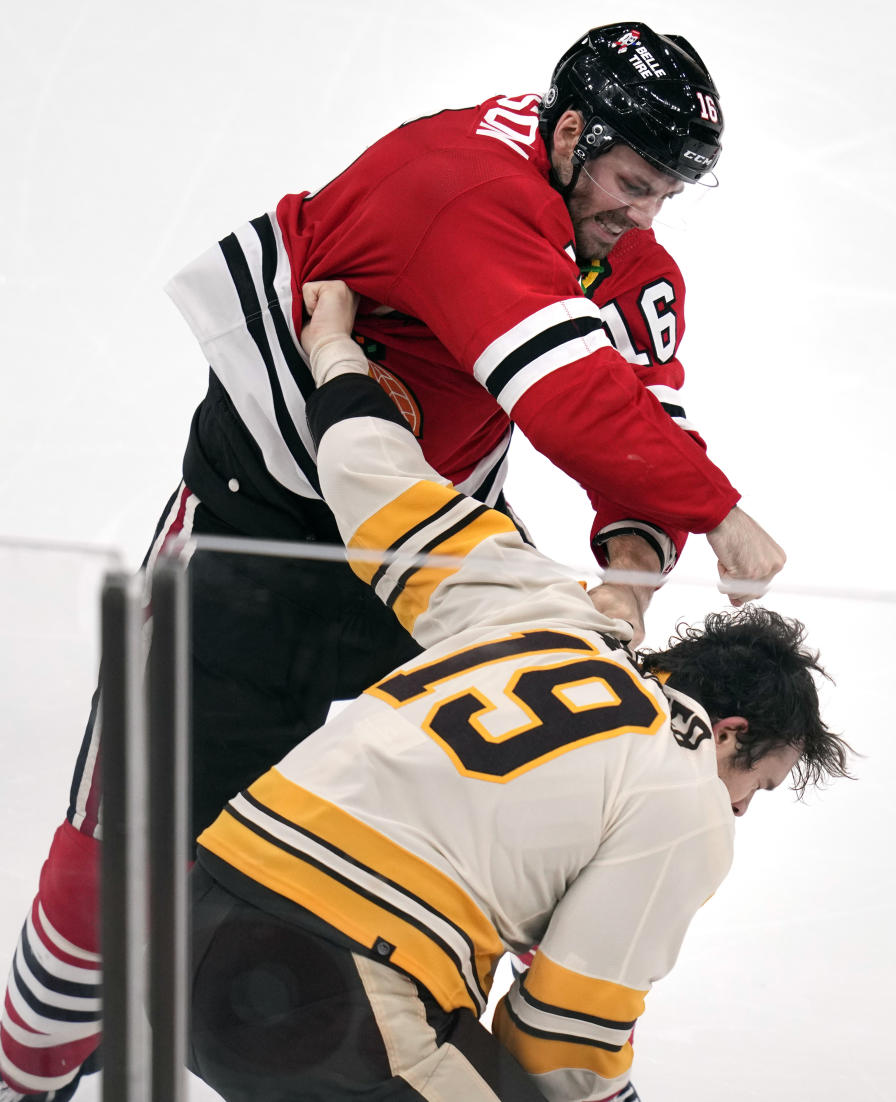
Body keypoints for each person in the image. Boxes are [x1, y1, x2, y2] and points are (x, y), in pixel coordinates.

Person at [1, 23, 786, 1099]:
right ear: (568, 136)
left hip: (426, 544)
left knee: (511, 804)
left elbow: (643, 426)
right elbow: (563, 397)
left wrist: (633, 569)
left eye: (664, 195)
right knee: (111, 868)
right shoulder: (457, 188)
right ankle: (23, 1074)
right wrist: (723, 511)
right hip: (252, 537)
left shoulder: (631, 260)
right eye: (630, 181)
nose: (643, 216)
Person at [186, 281, 849, 1102]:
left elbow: (380, 486)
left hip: (195, 912)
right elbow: (560, 1040)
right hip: (327, 984)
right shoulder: (689, 797)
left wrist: (332, 345)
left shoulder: (542, 610)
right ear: (729, 732)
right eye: (761, 782)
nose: (742, 806)